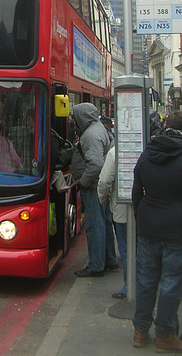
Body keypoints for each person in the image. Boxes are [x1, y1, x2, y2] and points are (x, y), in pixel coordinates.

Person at [131, 110, 182, 352]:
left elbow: (136, 191)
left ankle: (140, 331)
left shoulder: (148, 153)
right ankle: (165, 334)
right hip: (176, 231)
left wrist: (141, 219)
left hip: (148, 225)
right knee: (171, 283)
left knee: (145, 281)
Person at [71, 102, 117, 277]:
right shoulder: (98, 128)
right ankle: (110, 260)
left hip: (93, 187)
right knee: (105, 223)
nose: (73, 120)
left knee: (94, 225)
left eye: (75, 116)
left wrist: (82, 181)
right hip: (99, 185)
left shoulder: (90, 135)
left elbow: (96, 164)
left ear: (82, 116)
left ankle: (96, 265)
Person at [98, 145, 127, 299]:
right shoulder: (148, 147)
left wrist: (102, 199)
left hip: (123, 210)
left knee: (126, 249)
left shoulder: (115, 152)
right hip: (145, 210)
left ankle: (129, 287)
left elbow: (104, 181)